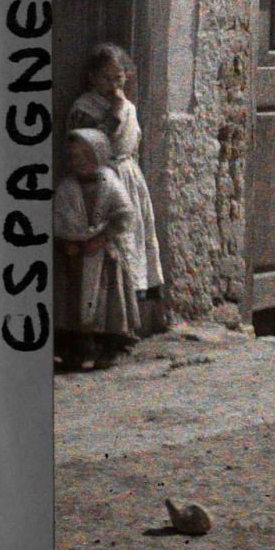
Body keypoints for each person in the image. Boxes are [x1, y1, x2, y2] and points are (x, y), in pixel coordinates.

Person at [67, 43, 164, 334]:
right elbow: (92, 142)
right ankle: (101, 329)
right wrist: (116, 112)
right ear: (92, 78)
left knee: (130, 244)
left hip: (129, 181)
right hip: (101, 184)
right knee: (105, 251)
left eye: (119, 79)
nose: (114, 85)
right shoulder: (84, 108)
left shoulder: (129, 107)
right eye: (107, 78)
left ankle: (130, 323)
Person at [54, 128, 143, 371]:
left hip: (102, 255)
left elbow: (124, 214)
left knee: (106, 301)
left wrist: (103, 238)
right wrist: (67, 241)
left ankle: (108, 347)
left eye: (86, 155)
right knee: (71, 302)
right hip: (73, 258)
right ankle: (76, 347)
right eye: (74, 156)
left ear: (99, 154)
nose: (79, 161)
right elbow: (59, 219)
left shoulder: (109, 183)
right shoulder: (67, 187)